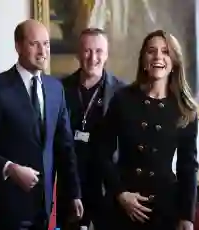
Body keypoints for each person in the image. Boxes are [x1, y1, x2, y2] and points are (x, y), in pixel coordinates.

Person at [0, 19, 83, 230]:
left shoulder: (56, 88)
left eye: (46, 44)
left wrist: (75, 193)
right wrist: (9, 168)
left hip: (44, 210)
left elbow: (65, 147)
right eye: (34, 44)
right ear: (18, 46)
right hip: (7, 210)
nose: (43, 51)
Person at [93, 30, 199, 230]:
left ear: (174, 62)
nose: (158, 57)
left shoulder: (184, 109)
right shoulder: (123, 99)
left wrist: (187, 216)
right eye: (152, 51)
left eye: (165, 52)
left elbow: (188, 166)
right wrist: (120, 193)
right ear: (143, 60)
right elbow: (101, 153)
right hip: (122, 208)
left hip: (164, 210)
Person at [58, 28, 125, 230]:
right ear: (78, 54)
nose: (92, 57)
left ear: (106, 55)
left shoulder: (123, 93)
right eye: (87, 51)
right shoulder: (59, 89)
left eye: (98, 51)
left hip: (107, 187)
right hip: (70, 185)